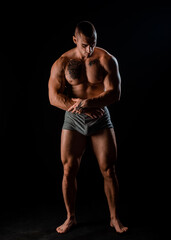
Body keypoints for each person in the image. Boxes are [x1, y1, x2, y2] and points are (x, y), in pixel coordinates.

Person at [48, 21, 128, 234]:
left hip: (100, 117)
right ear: (75, 40)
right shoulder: (63, 62)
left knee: (109, 169)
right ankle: (70, 218)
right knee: (68, 169)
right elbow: (53, 97)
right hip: (74, 118)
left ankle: (114, 218)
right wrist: (82, 108)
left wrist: (90, 103)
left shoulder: (105, 59)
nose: (89, 49)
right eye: (84, 45)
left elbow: (115, 93)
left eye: (92, 44)